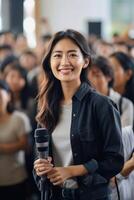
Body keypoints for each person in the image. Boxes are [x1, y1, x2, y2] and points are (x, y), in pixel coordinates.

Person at [33, 29, 124, 200]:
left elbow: (115, 159)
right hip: (54, 195)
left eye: (72, 55)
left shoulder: (101, 105)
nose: (64, 62)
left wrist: (74, 170)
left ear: (86, 61)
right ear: (49, 62)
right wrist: (39, 167)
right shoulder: (46, 106)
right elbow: (38, 155)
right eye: (57, 55)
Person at [0, 80, 30, 200]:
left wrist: (2, 148)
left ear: (8, 96)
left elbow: (25, 145)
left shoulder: (19, 119)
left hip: (15, 178)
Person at [87, 56, 134, 127]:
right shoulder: (83, 102)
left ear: (108, 77)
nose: (91, 81)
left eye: (96, 75)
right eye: (87, 77)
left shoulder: (124, 104)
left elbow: (124, 134)